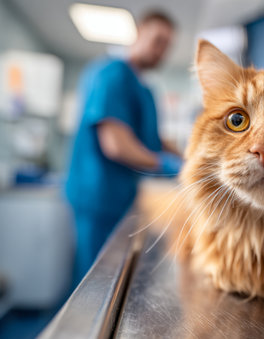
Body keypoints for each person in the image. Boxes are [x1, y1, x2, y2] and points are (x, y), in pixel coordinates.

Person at [66, 11, 182, 284]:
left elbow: (153, 138)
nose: (161, 51)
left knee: (108, 275)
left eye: (167, 45)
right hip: (97, 195)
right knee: (92, 281)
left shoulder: (144, 89)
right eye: (157, 41)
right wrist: (168, 165)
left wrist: (193, 157)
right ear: (139, 33)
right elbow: (116, 144)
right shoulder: (113, 74)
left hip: (120, 195)